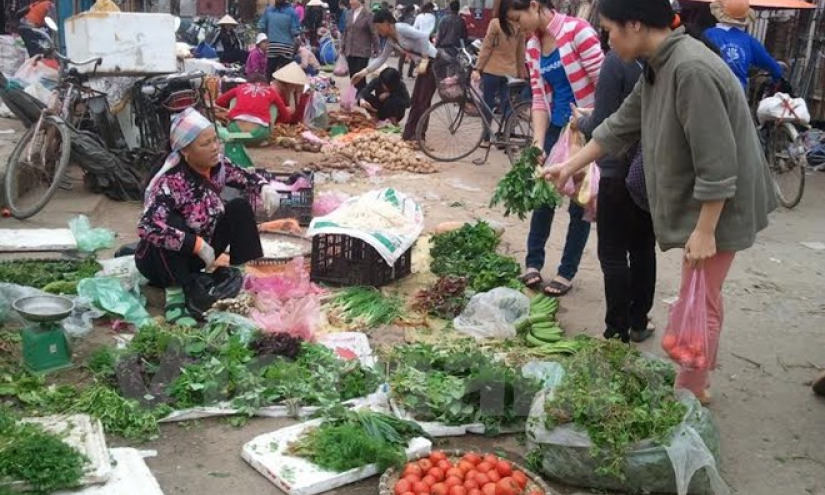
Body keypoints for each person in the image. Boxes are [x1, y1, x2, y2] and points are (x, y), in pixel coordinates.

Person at [544, 0, 776, 404]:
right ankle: (698, 381)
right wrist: (568, 166)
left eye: (611, 29)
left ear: (635, 24)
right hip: (711, 200)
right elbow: (619, 124)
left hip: (724, 203)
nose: (608, 39)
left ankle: (690, 390)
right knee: (703, 293)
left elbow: (718, 163)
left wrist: (705, 231)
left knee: (700, 297)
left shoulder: (690, 70)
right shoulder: (660, 64)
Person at [499, 0, 604, 297]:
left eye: (518, 18)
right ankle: (533, 262)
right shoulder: (533, 46)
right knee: (542, 196)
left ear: (534, 6)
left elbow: (606, 87)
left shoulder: (578, 33)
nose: (518, 26)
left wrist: (587, 124)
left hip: (584, 132)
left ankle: (566, 271)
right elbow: (539, 99)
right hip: (555, 130)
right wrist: (537, 141)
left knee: (579, 202)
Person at [137, 109, 277, 322]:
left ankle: (240, 276)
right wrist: (195, 244)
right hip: (160, 264)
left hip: (201, 254)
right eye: (205, 144)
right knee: (171, 222)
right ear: (185, 151)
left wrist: (263, 186)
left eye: (215, 141)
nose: (214, 148)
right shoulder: (169, 181)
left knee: (238, 207)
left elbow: (244, 176)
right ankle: (175, 297)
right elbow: (147, 227)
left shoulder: (217, 166)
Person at [573, 37, 652, 343]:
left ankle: (615, 330)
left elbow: (602, 124)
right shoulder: (653, 60)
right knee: (643, 247)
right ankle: (638, 322)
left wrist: (581, 120)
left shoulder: (616, 61)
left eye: (608, 26)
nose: (607, 35)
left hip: (617, 171)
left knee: (613, 253)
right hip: (646, 171)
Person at [352, 9, 439, 143]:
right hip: (422, 65)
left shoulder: (401, 28)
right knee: (416, 99)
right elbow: (381, 59)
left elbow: (423, 36)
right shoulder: (390, 40)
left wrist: (424, 58)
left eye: (378, 27)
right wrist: (363, 72)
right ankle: (409, 133)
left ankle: (420, 135)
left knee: (423, 100)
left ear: (387, 23)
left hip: (432, 61)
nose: (378, 30)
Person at [703, 0, 783, 91]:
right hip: (737, 93)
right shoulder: (749, 41)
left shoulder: (707, 35)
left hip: (710, 89)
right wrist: (777, 77)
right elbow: (773, 67)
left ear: (720, 12)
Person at [471, 16, 526, 148]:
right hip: (510, 73)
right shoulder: (519, 26)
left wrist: (478, 68)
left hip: (492, 70)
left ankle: (486, 138)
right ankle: (507, 138)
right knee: (507, 105)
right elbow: (521, 52)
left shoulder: (495, 23)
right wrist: (521, 74)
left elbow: (486, 47)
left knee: (487, 105)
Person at [215, 75, 294, 145]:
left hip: (235, 132)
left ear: (248, 83)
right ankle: (263, 139)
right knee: (273, 106)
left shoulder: (240, 88)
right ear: (265, 84)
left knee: (234, 99)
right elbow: (286, 117)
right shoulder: (271, 92)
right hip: (257, 136)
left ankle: (233, 137)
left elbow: (219, 101)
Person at [341, 0, 381, 93]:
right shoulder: (349, 13)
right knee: (352, 76)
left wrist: (377, 48)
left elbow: (374, 32)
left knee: (360, 77)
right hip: (350, 50)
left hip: (362, 51)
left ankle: (361, 97)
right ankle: (353, 97)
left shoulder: (368, 14)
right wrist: (342, 46)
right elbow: (346, 31)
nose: (351, 2)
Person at [260, 0, 303, 77]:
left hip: (272, 45)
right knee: (286, 71)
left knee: (270, 70)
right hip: (287, 46)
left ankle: (269, 86)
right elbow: (295, 31)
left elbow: (262, 26)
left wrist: (270, 33)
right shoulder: (292, 12)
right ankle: (284, 87)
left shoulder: (268, 10)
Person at [397, 4, 417, 78]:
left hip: (402, 39)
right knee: (413, 57)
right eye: (413, 10)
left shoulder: (401, 17)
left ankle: (400, 73)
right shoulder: (413, 19)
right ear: (411, 11)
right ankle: (410, 73)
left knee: (402, 57)